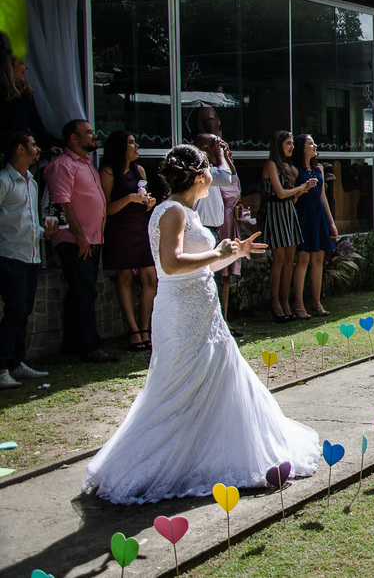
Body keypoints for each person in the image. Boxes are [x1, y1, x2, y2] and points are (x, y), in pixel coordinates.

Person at [82, 144, 318, 504]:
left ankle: (213, 452)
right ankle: (159, 462)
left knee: (216, 381)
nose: (213, 175)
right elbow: (173, 265)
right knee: (178, 389)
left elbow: (202, 265)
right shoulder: (173, 212)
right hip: (181, 315)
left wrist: (233, 253)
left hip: (203, 311)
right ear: (198, 177)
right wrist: (220, 252)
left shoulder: (185, 212)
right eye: (209, 169)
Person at [46, 119, 118, 363]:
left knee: (80, 291)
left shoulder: (86, 163)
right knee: (85, 291)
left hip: (91, 238)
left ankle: (72, 345)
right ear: (73, 139)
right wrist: (80, 237)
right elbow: (61, 204)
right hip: (75, 240)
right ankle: (90, 346)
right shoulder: (62, 164)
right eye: (88, 133)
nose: (93, 136)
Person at [0, 131, 56, 389]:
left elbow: (28, 220)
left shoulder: (31, 181)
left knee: (23, 311)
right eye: (33, 144)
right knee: (14, 311)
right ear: (20, 149)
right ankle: (2, 367)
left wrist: (46, 233)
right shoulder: (4, 181)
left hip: (31, 255)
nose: (37, 149)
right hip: (10, 256)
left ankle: (15, 363)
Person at [99, 131, 158, 352]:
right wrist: (131, 198)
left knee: (150, 277)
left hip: (139, 226)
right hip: (118, 227)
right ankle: (133, 331)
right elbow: (106, 208)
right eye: (131, 142)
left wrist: (148, 202)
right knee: (124, 276)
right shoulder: (108, 171)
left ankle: (145, 329)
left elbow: (144, 198)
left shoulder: (139, 170)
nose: (136, 145)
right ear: (120, 147)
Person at [259, 131, 317, 323]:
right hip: (275, 212)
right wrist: (301, 187)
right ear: (278, 146)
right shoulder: (271, 165)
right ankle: (275, 303)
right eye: (288, 144)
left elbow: (291, 197)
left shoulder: (287, 167)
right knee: (279, 259)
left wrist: (303, 189)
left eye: (292, 144)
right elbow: (281, 192)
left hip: (289, 211)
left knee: (290, 259)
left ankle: (285, 302)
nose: (292, 147)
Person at [194, 133, 241, 334]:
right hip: (202, 230)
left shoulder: (211, 170)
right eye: (216, 144)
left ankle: (219, 323)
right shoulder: (199, 172)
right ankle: (209, 327)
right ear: (205, 148)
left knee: (218, 280)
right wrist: (221, 154)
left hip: (214, 230)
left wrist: (226, 156)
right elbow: (224, 177)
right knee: (207, 282)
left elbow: (230, 178)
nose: (220, 147)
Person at [291, 134, 337, 318]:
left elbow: (323, 196)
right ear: (302, 147)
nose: (314, 145)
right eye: (310, 143)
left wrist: (331, 222)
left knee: (318, 259)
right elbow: (292, 198)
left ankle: (316, 302)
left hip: (318, 214)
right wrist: (303, 188)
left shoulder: (319, 168)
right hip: (304, 214)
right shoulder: (295, 170)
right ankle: (298, 304)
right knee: (303, 259)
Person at [0, 48, 58, 150]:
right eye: (22, 63)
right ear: (10, 67)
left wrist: (48, 145)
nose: (26, 67)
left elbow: (35, 121)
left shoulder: (25, 92)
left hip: (20, 150)